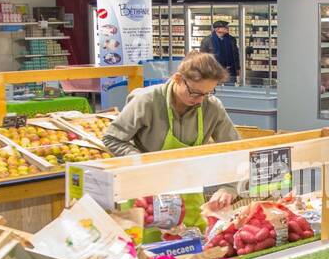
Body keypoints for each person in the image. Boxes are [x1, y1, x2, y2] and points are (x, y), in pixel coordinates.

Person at [103, 51, 241, 206]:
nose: (200, 100)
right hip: (145, 192)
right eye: (195, 93)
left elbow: (235, 149)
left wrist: (229, 187)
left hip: (189, 193)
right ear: (178, 79)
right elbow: (112, 138)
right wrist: (140, 161)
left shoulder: (212, 107)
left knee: (190, 229)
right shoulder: (147, 100)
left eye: (207, 93)